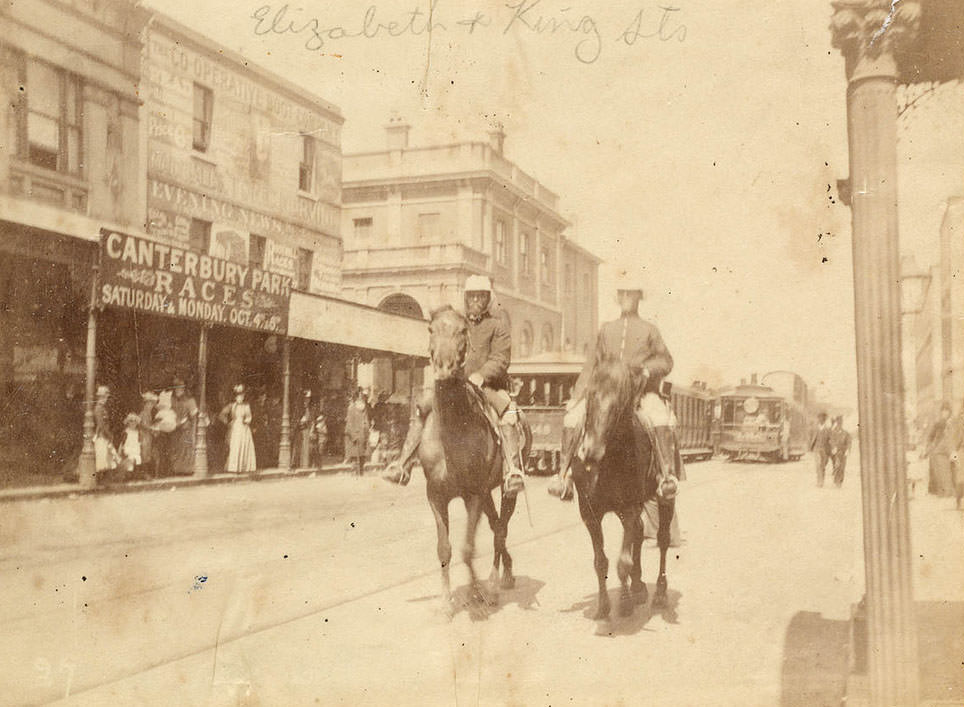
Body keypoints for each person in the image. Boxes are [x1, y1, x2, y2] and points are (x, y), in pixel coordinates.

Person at [383, 275, 526, 494]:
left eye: (481, 296)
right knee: (422, 408)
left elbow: (501, 359)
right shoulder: (459, 323)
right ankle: (403, 464)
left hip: (489, 386)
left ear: (488, 298)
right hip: (454, 382)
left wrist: (481, 375)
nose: (476, 300)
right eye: (472, 296)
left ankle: (512, 471)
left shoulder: (498, 325)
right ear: (466, 298)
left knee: (510, 414)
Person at [559, 275, 678, 492]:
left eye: (630, 294)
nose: (625, 297)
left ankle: (665, 476)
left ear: (638, 297)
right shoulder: (606, 329)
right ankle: (563, 476)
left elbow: (666, 360)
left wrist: (647, 370)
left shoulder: (650, 329)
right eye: (621, 293)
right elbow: (591, 365)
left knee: (660, 417)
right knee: (571, 418)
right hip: (606, 394)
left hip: (640, 393)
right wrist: (576, 397)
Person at [219, 384, 257, 473]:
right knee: (235, 446)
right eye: (238, 396)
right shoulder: (232, 406)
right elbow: (221, 415)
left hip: (244, 428)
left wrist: (247, 421)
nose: (240, 398)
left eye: (242, 396)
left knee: (244, 445)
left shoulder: (246, 406)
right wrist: (227, 422)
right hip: (235, 427)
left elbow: (249, 416)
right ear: (235, 397)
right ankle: (234, 467)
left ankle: (244, 467)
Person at [923, 403, 954, 497]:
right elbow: (931, 437)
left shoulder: (953, 422)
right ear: (941, 412)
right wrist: (930, 447)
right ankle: (941, 492)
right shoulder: (938, 423)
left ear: (949, 413)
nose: (945, 413)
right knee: (940, 471)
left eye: (947, 411)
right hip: (939, 450)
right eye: (943, 411)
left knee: (953, 468)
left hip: (951, 451)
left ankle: (951, 491)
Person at [171, 378, 198, 476]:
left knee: (186, 449)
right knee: (176, 448)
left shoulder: (190, 400)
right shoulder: (172, 400)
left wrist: (194, 431)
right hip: (175, 427)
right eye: (176, 388)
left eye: (180, 388)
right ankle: (177, 470)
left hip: (186, 429)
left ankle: (187, 470)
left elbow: (194, 417)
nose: (178, 390)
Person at [344, 389, 370, 475]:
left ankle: (361, 474)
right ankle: (354, 474)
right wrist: (354, 436)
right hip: (355, 438)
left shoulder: (364, 408)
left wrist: (367, 433)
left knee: (362, 458)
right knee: (355, 458)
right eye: (359, 398)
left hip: (363, 438)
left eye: (362, 398)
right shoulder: (351, 409)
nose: (361, 399)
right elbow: (349, 425)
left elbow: (366, 422)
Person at [138, 392, 158, 478]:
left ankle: (147, 473)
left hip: (147, 436)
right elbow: (142, 425)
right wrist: (151, 429)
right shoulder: (143, 413)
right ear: (146, 404)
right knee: (145, 454)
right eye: (150, 404)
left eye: (152, 404)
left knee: (148, 453)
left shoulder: (149, 413)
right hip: (144, 436)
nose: (151, 406)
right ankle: (145, 473)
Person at [810, 412, 832, 487]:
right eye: (820, 418)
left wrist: (830, 450)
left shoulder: (828, 429)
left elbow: (830, 440)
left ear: (825, 420)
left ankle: (822, 480)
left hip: (825, 450)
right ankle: (819, 481)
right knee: (818, 465)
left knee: (822, 466)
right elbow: (811, 437)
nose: (821, 420)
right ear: (818, 419)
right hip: (817, 449)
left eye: (823, 418)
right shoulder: (814, 428)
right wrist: (810, 446)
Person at [829, 416, 851, 487]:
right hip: (835, 452)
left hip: (843, 452)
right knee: (837, 466)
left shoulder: (846, 433)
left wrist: (848, 449)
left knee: (842, 467)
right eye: (838, 422)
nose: (840, 424)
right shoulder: (833, 432)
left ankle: (840, 481)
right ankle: (836, 481)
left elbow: (849, 442)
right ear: (836, 423)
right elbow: (831, 441)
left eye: (841, 422)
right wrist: (833, 448)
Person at [295, 389, 314, 468]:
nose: (307, 400)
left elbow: (312, 420)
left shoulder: (310, 408)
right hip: (301, 429)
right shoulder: (300, 408)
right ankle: (300, 464)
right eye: (306, 398)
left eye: (309, 398)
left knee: (307, 447)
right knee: (301, 447)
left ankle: (305, 464)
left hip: (307, 429)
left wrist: (312, 430)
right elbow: (297, 418)